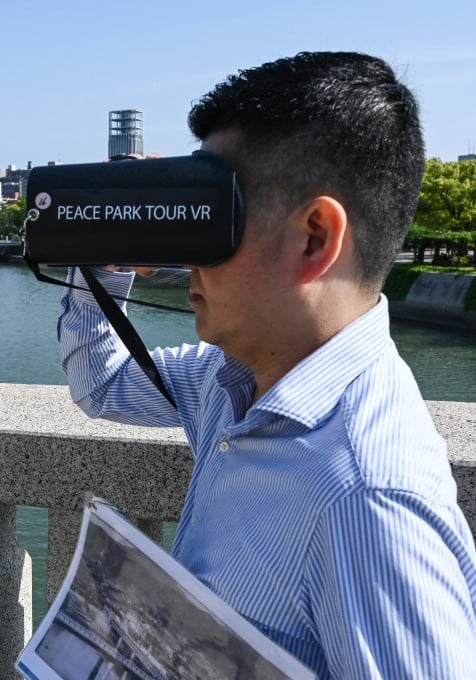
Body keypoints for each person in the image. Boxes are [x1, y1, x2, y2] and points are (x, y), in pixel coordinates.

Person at [58, 52, 476, 678]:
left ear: (313, 237)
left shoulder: (368, 501)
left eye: (211, 215)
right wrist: (111, 241)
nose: (187, 249)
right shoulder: (229, 380)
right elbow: (105, 383)